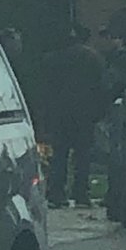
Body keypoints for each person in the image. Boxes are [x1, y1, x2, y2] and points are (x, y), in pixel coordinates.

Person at [42, 25, 106, 208]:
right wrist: (98, 112)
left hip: (60, 115)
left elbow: (47, 90)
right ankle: (81, 194)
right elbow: (101, 88)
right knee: (83, 156)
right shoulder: (93, 59)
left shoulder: (52, 59)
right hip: (84, 115)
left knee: (59, 155)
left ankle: (56, 193)